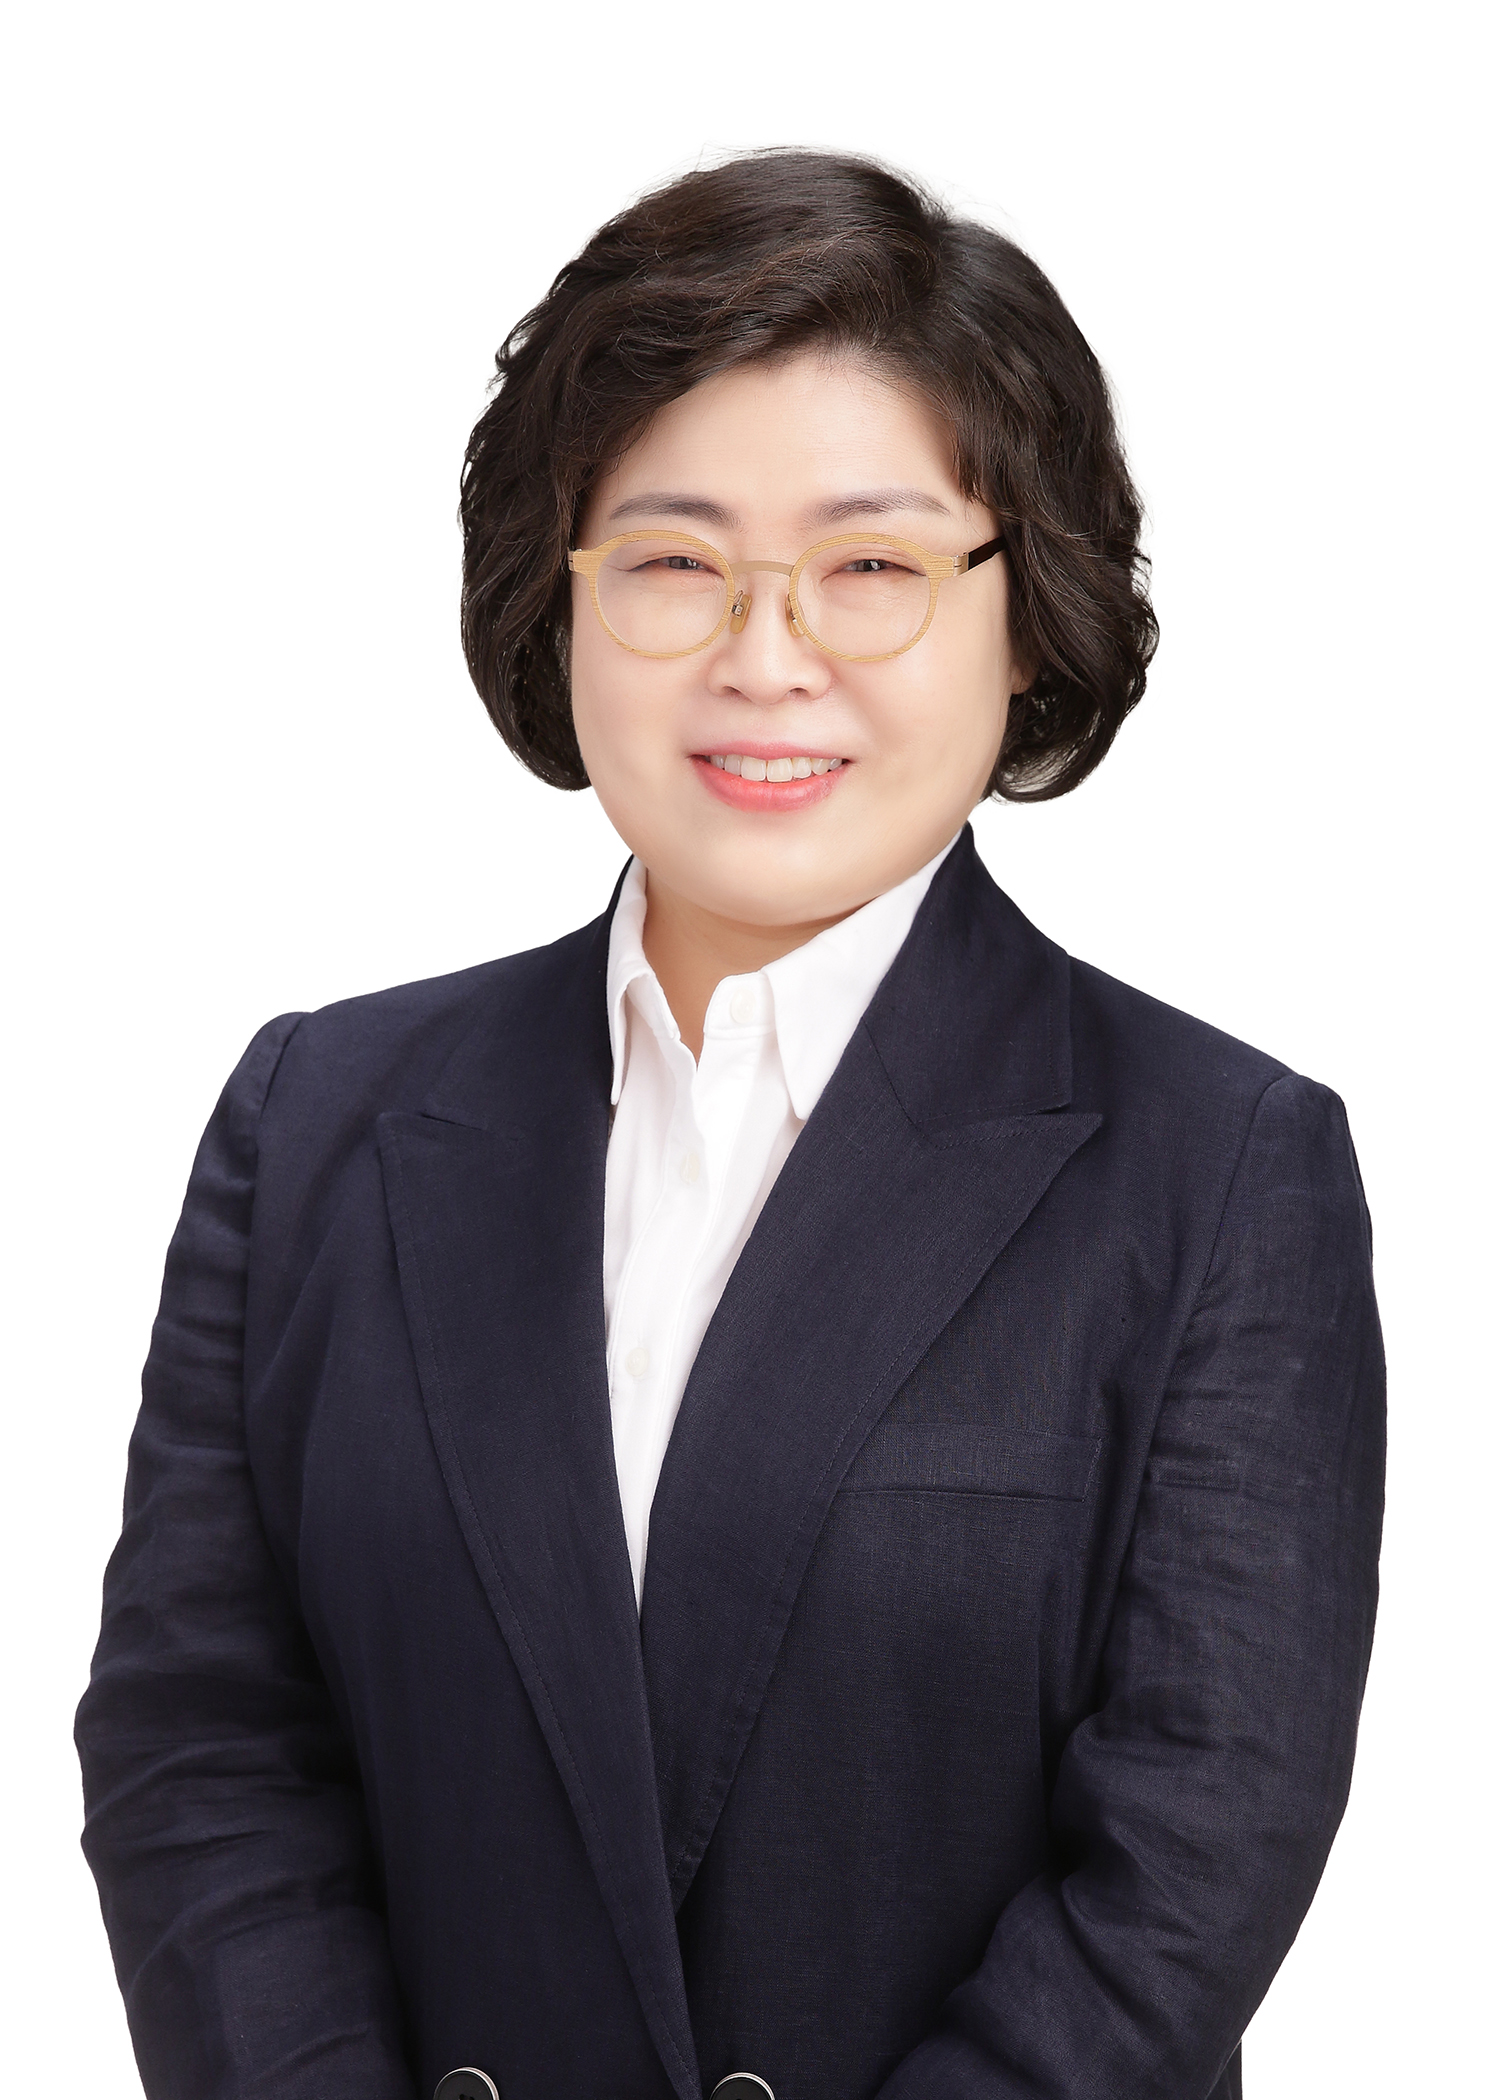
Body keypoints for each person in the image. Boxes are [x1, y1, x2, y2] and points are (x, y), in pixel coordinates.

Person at [75, 151, 1385, 2100]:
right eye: (676, 562)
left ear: (1026, 617)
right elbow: (200, 1744)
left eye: (872, 566)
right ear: (560, 599)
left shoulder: (1218, 1170)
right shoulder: (317, 1118)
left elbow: (1190, 1860)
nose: (767, 657)